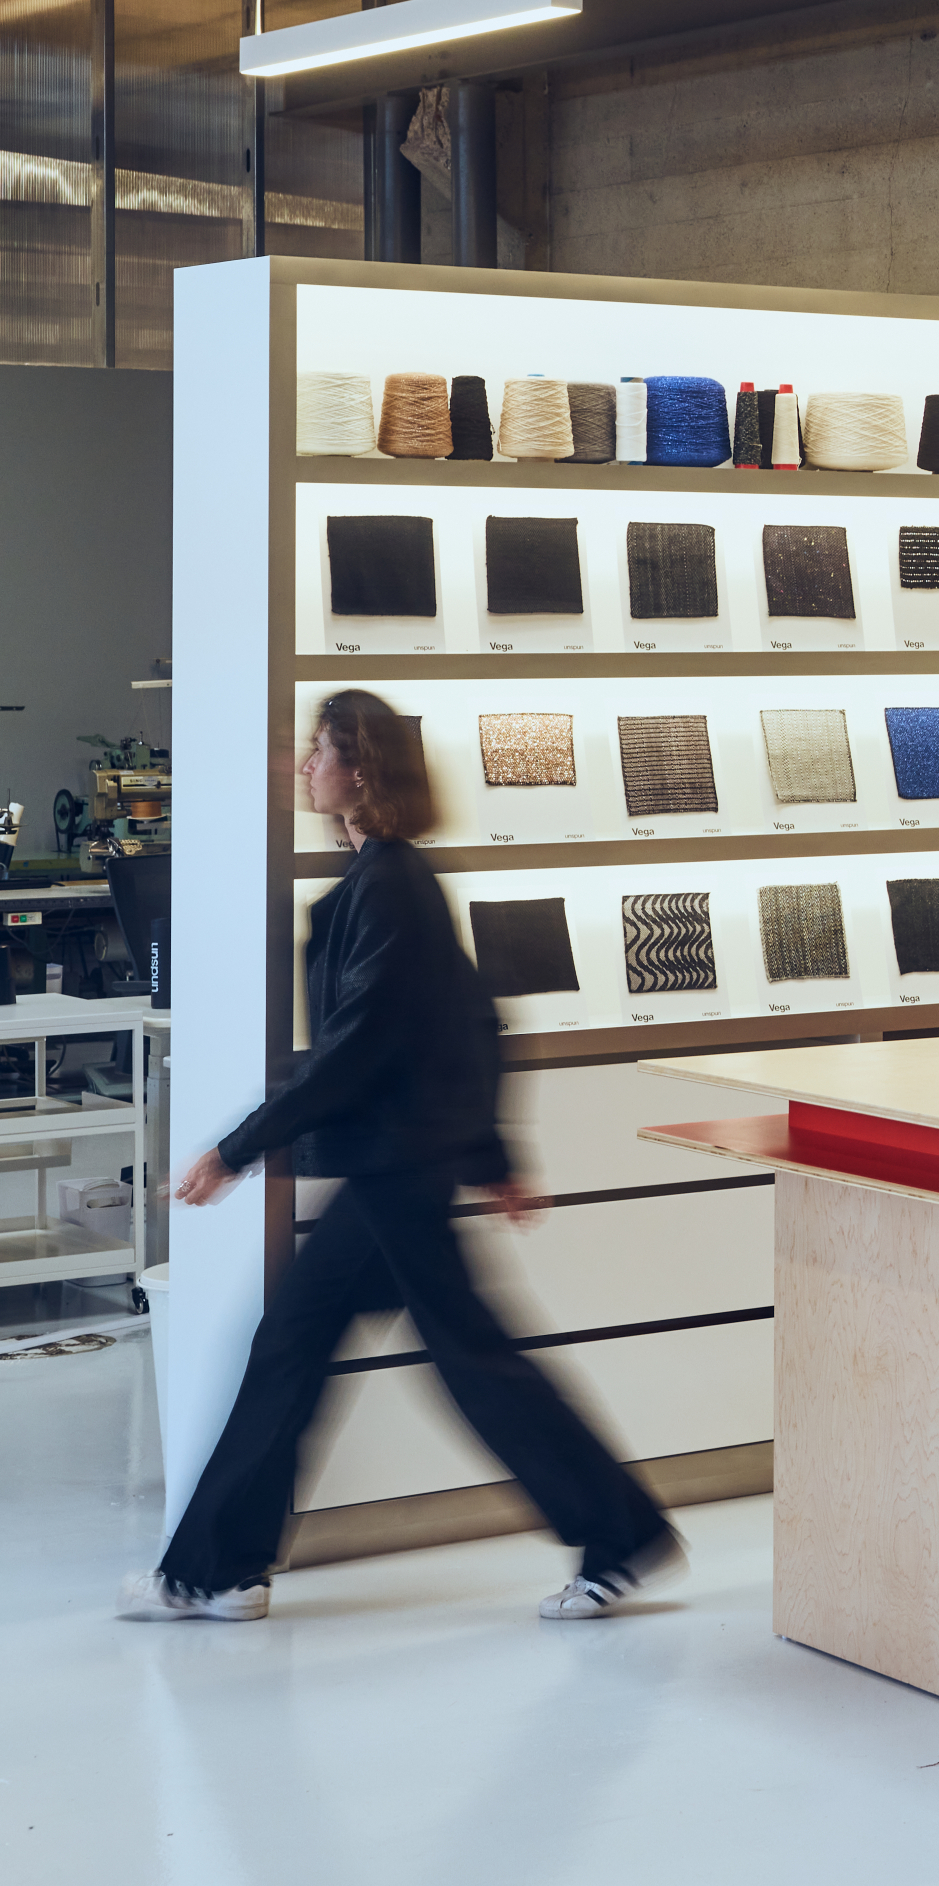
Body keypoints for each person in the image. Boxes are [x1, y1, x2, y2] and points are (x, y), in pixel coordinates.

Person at [123, 689, 680, 1625]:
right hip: (398, 1165)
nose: (306, 766)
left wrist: (238, 1148)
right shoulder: (385, 880)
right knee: (311, 1350)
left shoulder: (392, 886)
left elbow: (363, 1045)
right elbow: (466, 1018)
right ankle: (219, 1569)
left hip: (396, 1170)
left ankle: (619, 1535)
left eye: (321, 751)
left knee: (450, 1360)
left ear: (363, 770)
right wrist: (494, 1151)